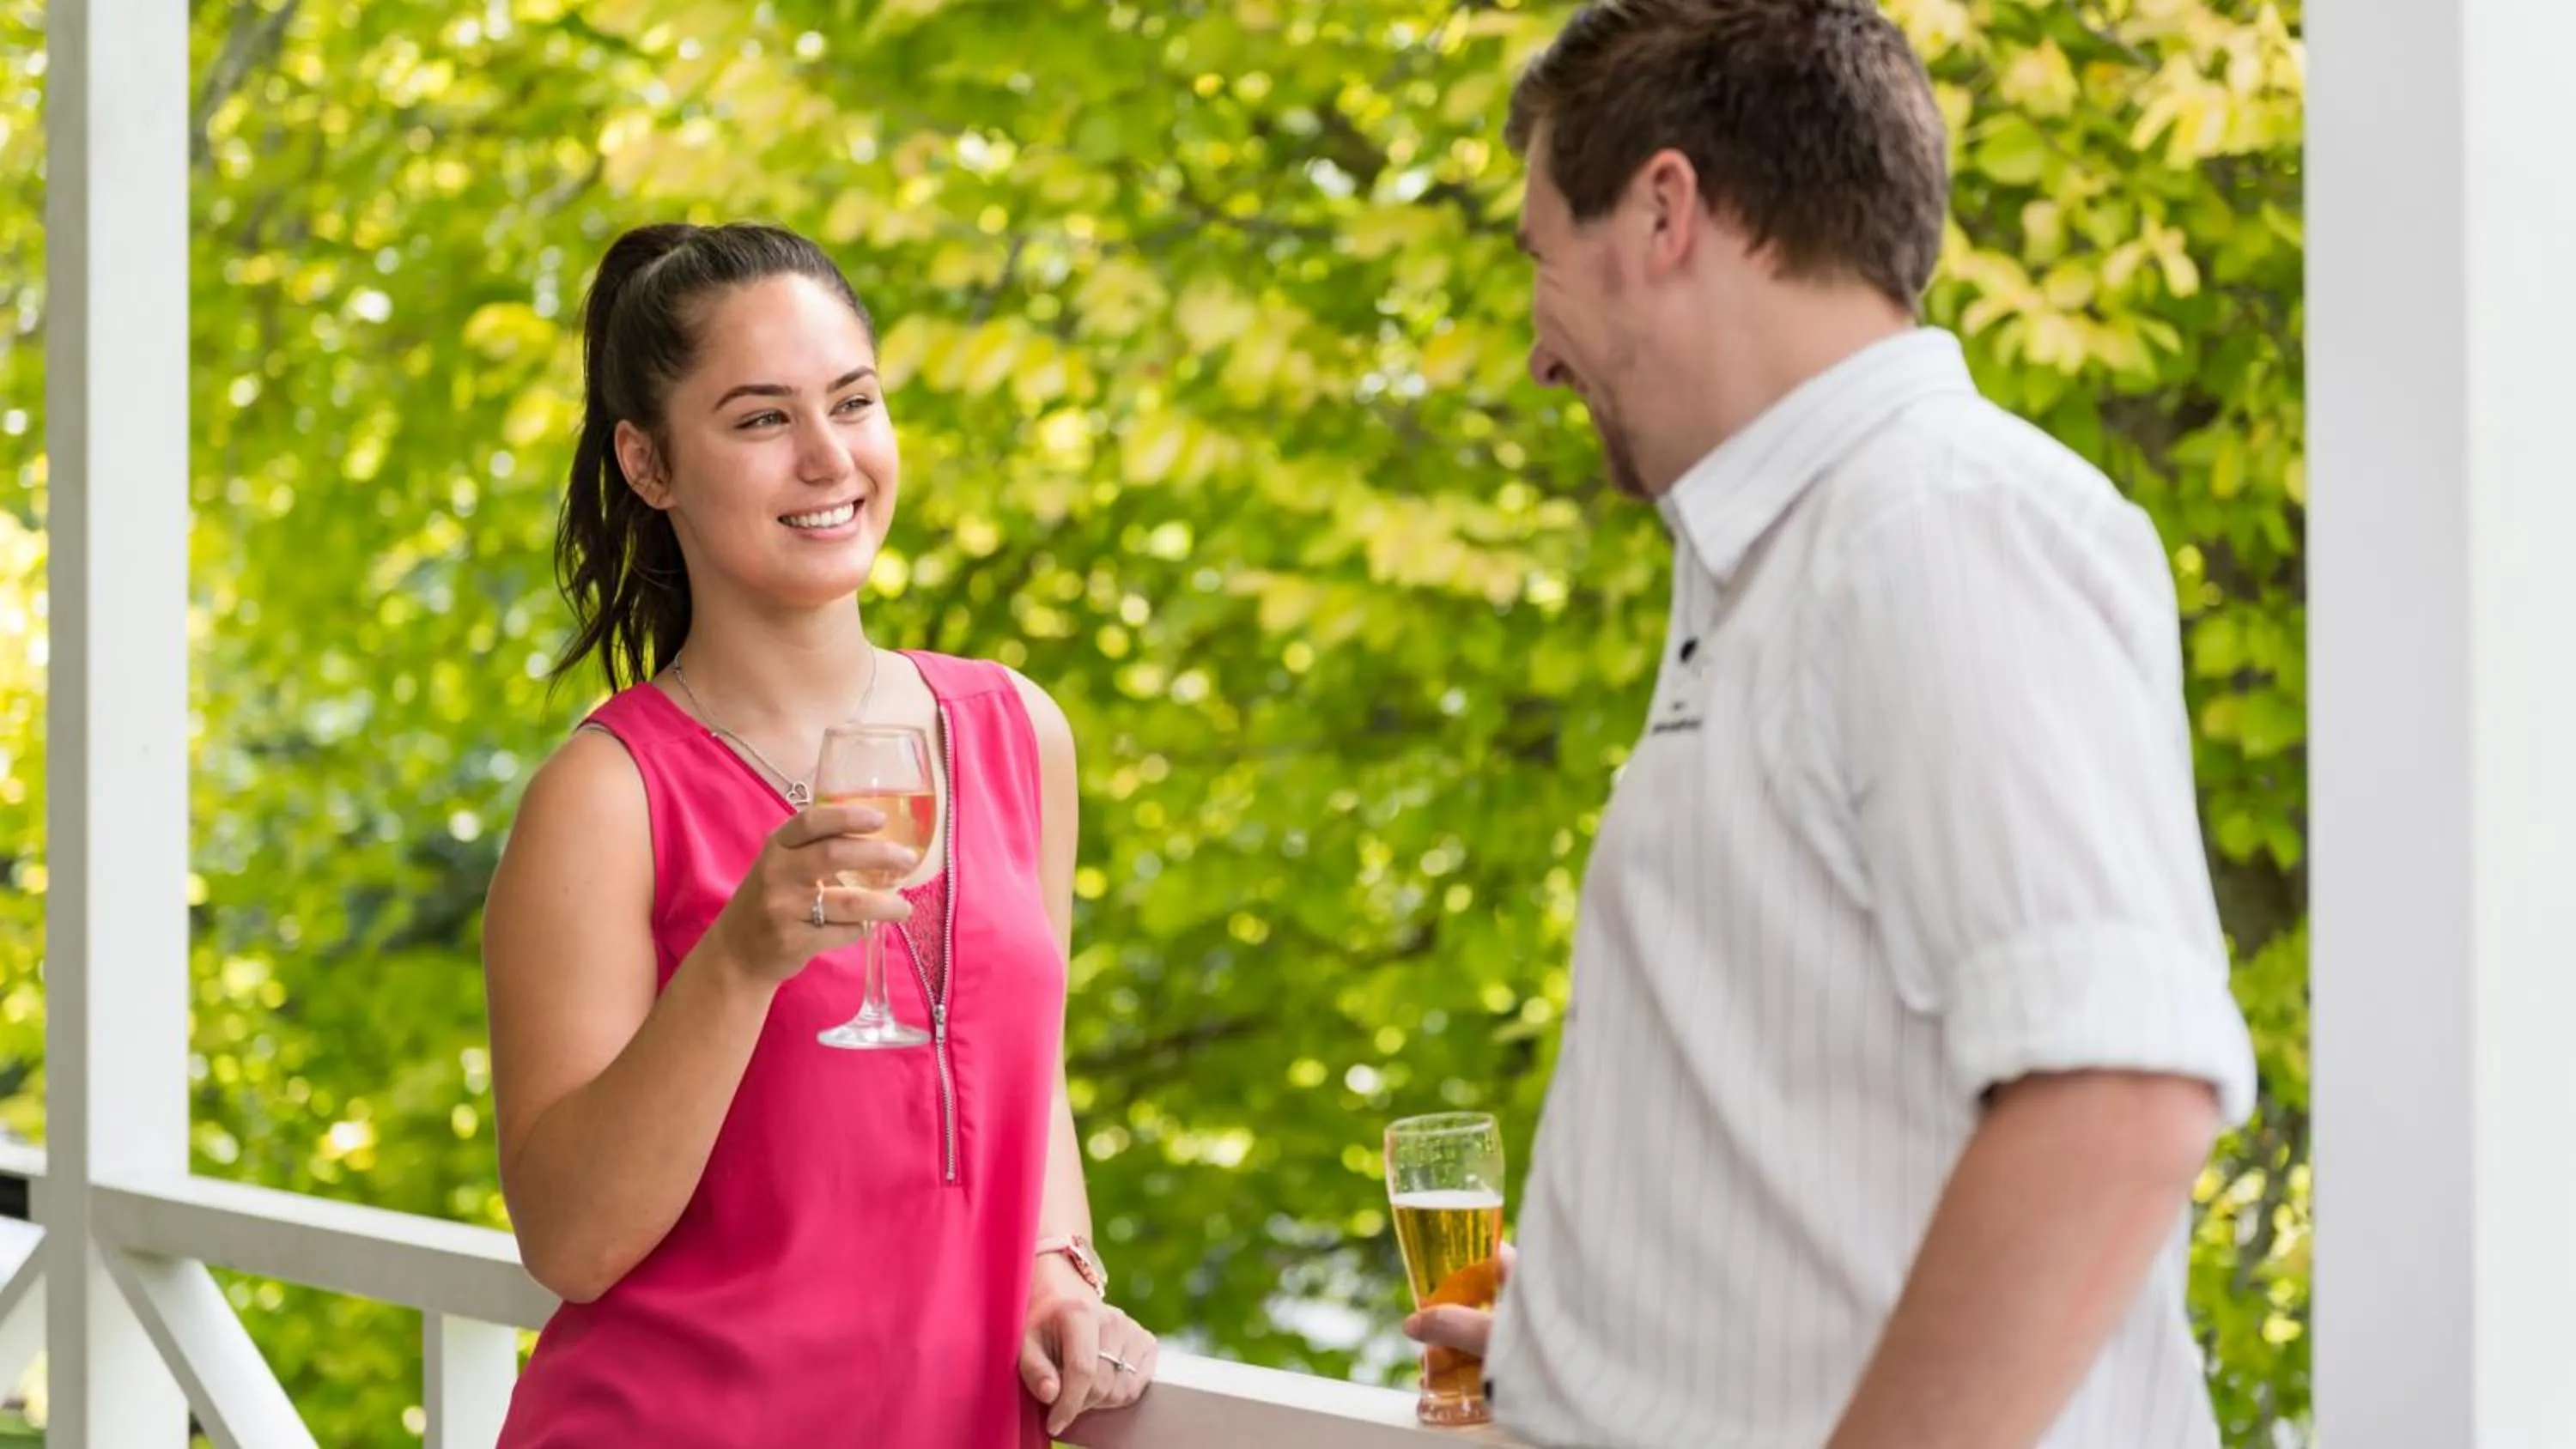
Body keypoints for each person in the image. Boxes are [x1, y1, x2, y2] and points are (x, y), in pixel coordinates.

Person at [1400, 3, 2259, 1446]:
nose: (1542, 355)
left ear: (1665, 209)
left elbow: (2115, 1098)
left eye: (1544, 260)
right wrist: (1603, 1342)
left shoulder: (1938, 524)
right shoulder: (1785, 559)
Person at [480, 221, 1156, 1446]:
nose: (829, 457)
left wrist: (1058, 1265)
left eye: (854, 401)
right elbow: (570, 1242)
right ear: (649, 465)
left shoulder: (1016, 730)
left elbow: (1023, 1069)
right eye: (759, 420)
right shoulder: (606, 795)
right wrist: (738, 960)